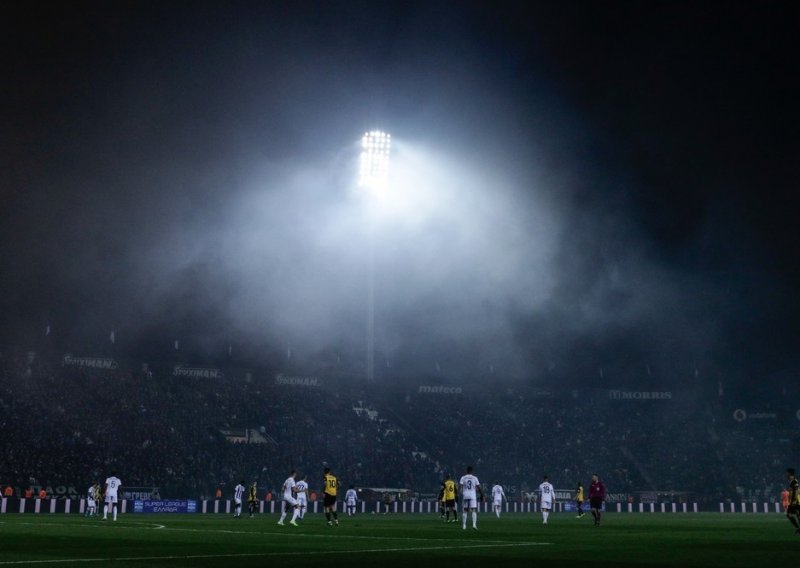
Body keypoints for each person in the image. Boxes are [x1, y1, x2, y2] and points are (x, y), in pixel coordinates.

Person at [459, 466, 483, 530]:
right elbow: (479, 487)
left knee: (465, 510)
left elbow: (460, 487)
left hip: (465, 495)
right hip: (472, 495)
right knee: (474, 510)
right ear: (472, 471)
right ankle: (474, 525)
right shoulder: (475, 478)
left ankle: (464, 526)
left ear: (466, 471)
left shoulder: (463, 478)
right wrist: (482, 495)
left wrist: (457, 494)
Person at [786, 468, 800, 534]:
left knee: (792, 514)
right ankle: (798, 528)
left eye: (787, 473)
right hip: (793, 501)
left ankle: (798, 528)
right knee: (792, 514)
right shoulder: (792, 481)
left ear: (790, 473)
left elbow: (796, 491)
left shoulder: (794, 481)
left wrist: (794, 500)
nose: (786, 474)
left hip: (796, 501)